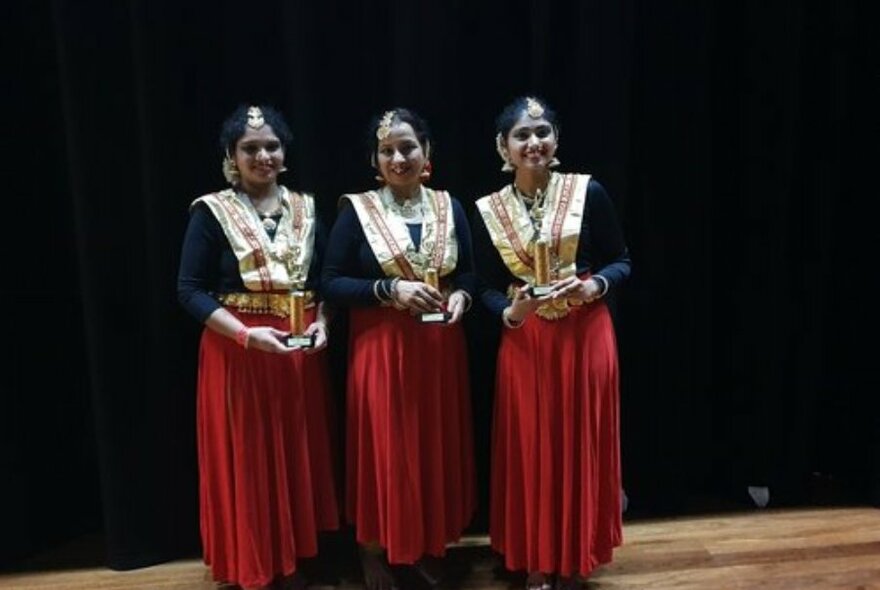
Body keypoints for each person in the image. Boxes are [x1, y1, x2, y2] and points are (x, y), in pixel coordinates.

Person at [177, 104, 339, 590]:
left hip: (297, 353)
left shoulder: (307, 209)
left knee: (295, 453)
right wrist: (247, 336)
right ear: (232, 156)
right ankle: (256, 561)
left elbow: (325, 282)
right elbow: (189, 289)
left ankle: (293, 556)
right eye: (250, 148)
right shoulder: (212, 212)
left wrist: (325, 324)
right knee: (248, 458)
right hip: (240, 352)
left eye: (271, 146)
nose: (263, 155)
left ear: (285, 153)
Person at [472, 96, 631, 590]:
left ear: (556, 141)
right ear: (504, 147)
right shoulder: (490, 209)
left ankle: (574, 558)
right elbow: (481, 286)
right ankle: (535, 559)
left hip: (585, 332)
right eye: (522, 135)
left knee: (579, 443)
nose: (533, 143)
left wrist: (594, 286)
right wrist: (509, 310)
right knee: (530, 447)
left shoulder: (589, 192)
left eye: (542, 133)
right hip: (528, 339)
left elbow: (621, 260)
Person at [321, 108, 477, 590]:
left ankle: (428, 544)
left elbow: (469, 273)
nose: (398, 157)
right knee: (385, 449)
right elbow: (330, 282)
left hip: (437, 349)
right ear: (375, 160)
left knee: (432, 445)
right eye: (387, 150)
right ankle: (374, 548)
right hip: (381, 349)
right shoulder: (357, 210)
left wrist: (461, 297)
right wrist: (388, 291)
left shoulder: (449, 207)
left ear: (427, 153)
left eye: (407, 147)